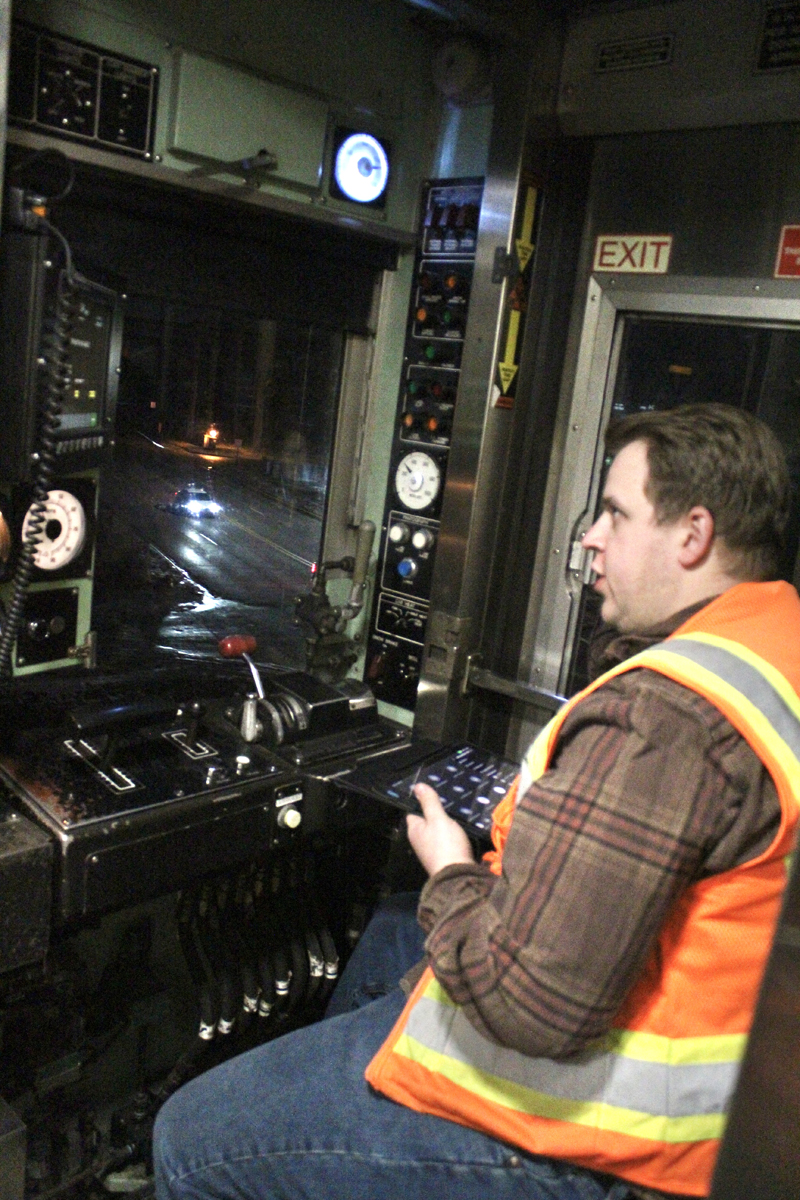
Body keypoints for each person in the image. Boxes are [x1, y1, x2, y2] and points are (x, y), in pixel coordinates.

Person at [153, 403, 800, 1200]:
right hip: (721, 1078)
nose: (591, 537)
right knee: (393, 932)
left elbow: (531, 1005)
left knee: (188, 1136)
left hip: (612, 1147)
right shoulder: (773, 641)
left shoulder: (664, 717)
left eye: (615, 513)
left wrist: (454, 871)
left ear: (693, 535)